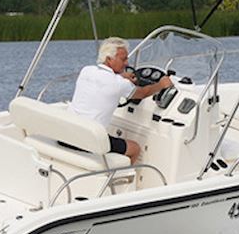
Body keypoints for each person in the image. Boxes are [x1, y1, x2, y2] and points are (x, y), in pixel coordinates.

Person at [68, 36, 171, 164]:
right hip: (89, 141)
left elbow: (105, 80)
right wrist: (161, 84)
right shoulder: (119, 84)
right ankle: (120, 181)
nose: (127, 63)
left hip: (69, 133)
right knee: (135, 149)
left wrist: (121, 76)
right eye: (123, 59)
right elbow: (143, 93)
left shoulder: (87, 70)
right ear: (109, 59)